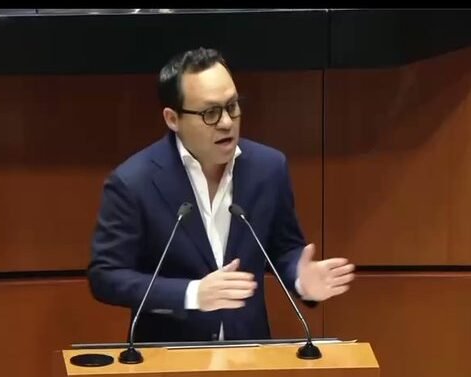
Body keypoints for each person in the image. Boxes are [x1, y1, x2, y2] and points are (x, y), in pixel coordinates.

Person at [87, 47, 355, 343]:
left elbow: (284, 249)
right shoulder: (133, 182)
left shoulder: (268, 169)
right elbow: (106, 276)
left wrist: (302, 279)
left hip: (248, 354)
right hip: (168, 358)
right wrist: (192, 294)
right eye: (210, 113)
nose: (227, 122)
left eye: (232, 106)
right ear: (173, 119)